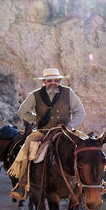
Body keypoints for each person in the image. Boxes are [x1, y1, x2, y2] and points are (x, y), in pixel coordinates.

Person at [8, 68, 86, 200]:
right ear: (44, 82)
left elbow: (80, 112)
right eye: (50, 80)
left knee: (88, 144)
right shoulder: (35, 95)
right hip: (43, 132)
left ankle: (96, 183)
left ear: (59, 81)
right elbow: (23, 112)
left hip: (65, 131)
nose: (53, 83)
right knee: (27, 147)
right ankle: (22, 184)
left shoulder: (68, 93)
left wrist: (69, 126)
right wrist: (37, 119)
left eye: (56, 80)